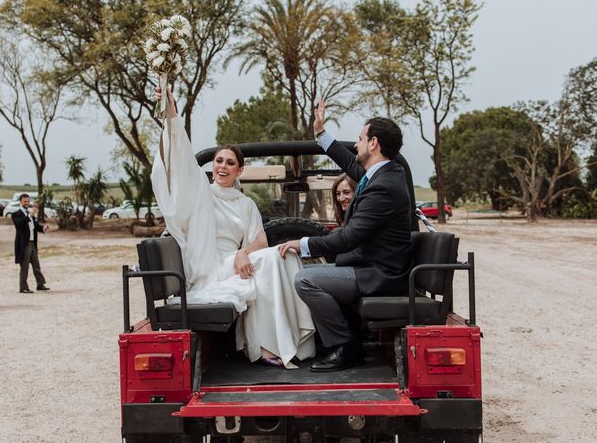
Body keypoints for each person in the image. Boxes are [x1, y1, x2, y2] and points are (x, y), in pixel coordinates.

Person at [151, 85, 315, 368]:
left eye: (230, 162)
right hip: (206, 263)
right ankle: (263, 347)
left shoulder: (245, 203)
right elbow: (179, 161)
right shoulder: (200, 193)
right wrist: (171, 113)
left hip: (232, 259)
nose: (222, 166)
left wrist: (243, 252)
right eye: (218, 161)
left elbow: (261, 240)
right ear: (212, 166)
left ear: (240, 170)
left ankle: (293, 341)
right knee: (267, 261)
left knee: (281, 255)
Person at [279, 100, 412, 372]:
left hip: (379, 273)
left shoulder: (384, 187)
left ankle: (345, 347)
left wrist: (301, 243)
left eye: (361, 139)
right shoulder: (384, 174)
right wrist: (321, 133)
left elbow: (347, 238)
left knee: (306, 279)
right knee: (317, 273)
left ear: (373, 143)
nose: (356, 145)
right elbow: (351, 163)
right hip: (371, 265)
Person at [12, 194, 50, 293]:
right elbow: (19, 224)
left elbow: (36, 226)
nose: (27, 203)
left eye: (28, 201)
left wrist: (43, 229)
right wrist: (30, 215)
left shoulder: (30, 213)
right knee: (24, 266)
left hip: (33, 243)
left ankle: (40, 284)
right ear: (20, 202)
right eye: (25, 202)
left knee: (36, 265)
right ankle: (23, 287)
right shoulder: (16, 214)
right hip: (24, 244)